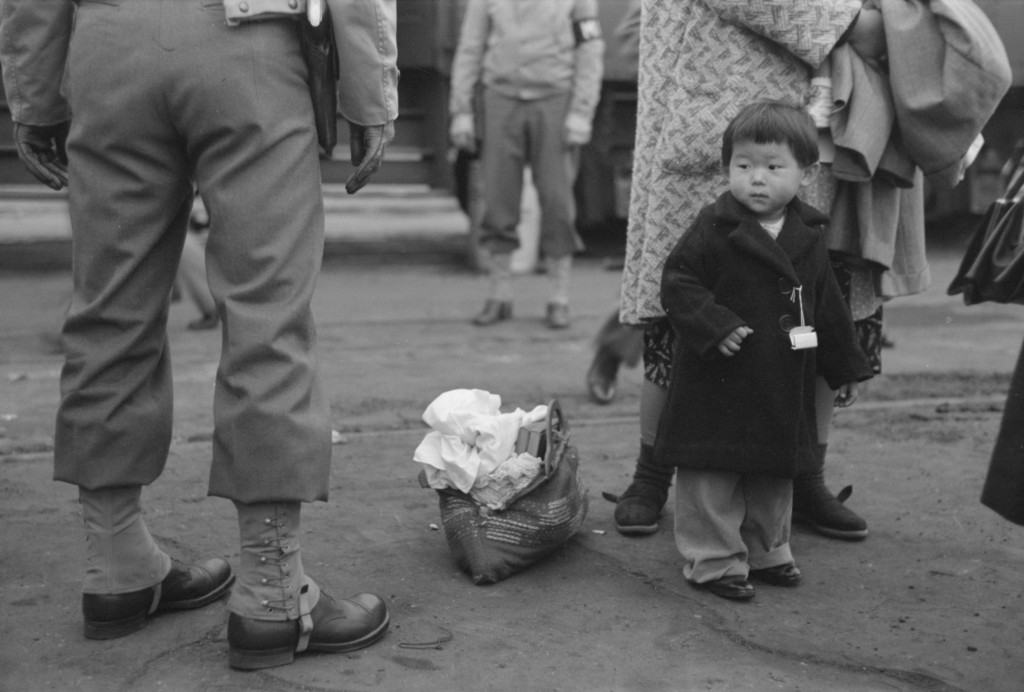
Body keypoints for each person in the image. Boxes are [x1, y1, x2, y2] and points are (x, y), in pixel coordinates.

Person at [0, 0, 398, 671]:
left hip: (110, 45)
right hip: (247, 45)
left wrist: (34, 94)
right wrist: (369, 88)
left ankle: (116, 563)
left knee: (109, 308)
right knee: (266, 312)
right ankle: (273, 591)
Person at [612, 0, 885, 540]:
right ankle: (651, 474)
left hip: (809, 125)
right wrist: (856, 21)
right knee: (685, 308)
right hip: (715, 111)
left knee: (813, 308)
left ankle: (806, 477)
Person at [659, 101, 873, 600]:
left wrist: (844, 367)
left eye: (774, 168)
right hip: (720, 377)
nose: (757, 179)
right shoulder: (713, 227)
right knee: (712, 471)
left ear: (805, 172)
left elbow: (827, 306)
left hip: (781, 378)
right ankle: (714, 560)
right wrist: (713, 324)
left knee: (774, 470)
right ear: (726, 167)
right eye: (744, 166)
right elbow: (677, 282)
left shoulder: (809, 235)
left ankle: (767, 548)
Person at [448, 0, 605, 329]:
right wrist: (461, 110)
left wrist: (581, 112)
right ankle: (499, 295)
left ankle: (558, 298)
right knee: (497, 202)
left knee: (558, 203)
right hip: (500, 100)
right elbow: (470, 47)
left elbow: (590, 51)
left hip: (556, 101)